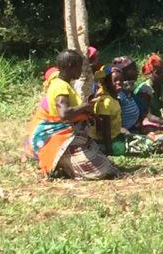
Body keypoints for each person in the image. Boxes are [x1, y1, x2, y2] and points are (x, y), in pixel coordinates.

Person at [27, 50, 119, 179]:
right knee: (100, 172)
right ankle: (62, 164)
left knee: (105, 165)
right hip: (61, 137)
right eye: (79, 66)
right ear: (71, 66)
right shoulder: (60, 87)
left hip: (72, 135)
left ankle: (66, 163)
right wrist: (84, 107)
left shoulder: (63, 85)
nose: (81, 70)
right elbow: (64, 114)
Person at [92, 65, 163, 154]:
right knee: (149, 144)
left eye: (121, 80)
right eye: (115, 80)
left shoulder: (113, 99)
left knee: (153, 138)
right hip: (110, 141)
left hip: (117, 136)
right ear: (106, 83)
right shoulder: (106, 102)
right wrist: (109, 150)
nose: (119, 83)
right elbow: (105, 130)